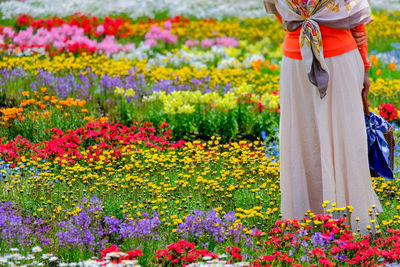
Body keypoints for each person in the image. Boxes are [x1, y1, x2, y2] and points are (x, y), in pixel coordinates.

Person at [263, 0, 383, 235]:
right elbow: (357, 25)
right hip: (339, 58)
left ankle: (306, 218)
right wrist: (365, 67)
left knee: (304, 139)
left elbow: (283, 17)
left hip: (297, 60)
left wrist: (305, 23)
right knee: (345, 138)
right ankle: (350, 219)